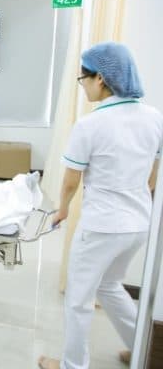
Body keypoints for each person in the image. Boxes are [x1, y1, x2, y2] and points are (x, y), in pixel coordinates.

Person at [38, 42, 163, 369]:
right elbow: (153, 177)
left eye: (83, 79)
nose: (82, 86)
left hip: (102, 227)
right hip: (139, 224)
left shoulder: (90, 124)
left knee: (78, 299)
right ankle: (142, 350)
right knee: (109, 285)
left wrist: (62, 209)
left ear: (101, 79)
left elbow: (70, 180)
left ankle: (72, 365)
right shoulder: (154, 118)